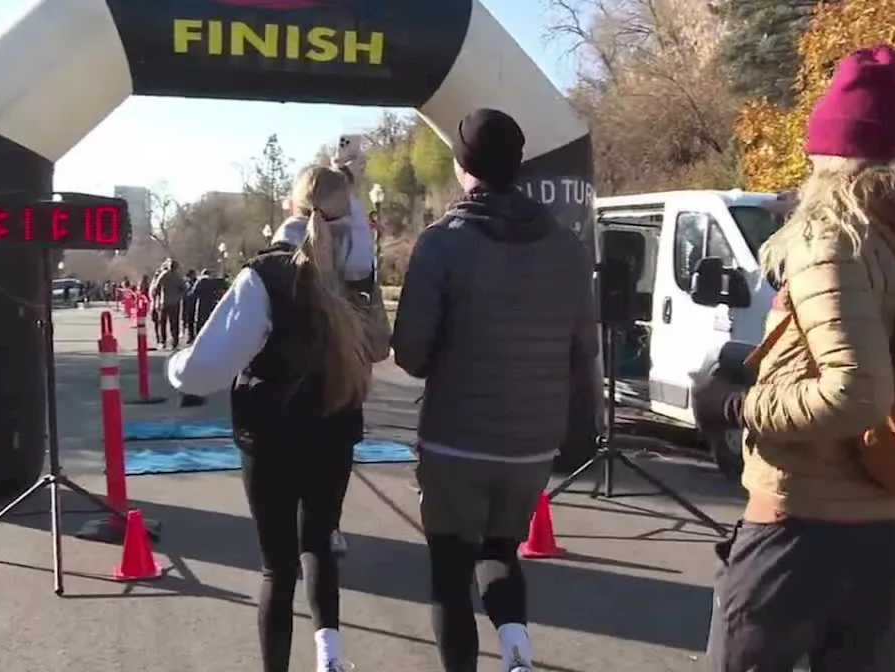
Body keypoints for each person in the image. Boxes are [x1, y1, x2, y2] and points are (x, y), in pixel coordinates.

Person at [692, 45, 895, 671]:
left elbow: (856, 391)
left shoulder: (833, 234)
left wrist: (740, 404)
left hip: (801, 529)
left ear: (830, 149)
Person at [392, 108, 597, 672]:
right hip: (533, 442)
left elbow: (409, 351)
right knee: (502, 550)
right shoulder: (565, 246)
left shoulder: (443, 243)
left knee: (450, 573)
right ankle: (517, 655)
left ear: (463, 168)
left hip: (457, 438)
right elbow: (584, 349)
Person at [167, 165, 390, 672]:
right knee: (319, 545)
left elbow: (204, 370)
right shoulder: (358, 275)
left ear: (292, 208)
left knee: (277, 567)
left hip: (270, 436)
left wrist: (175, 367)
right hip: (335, 428)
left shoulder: (265, 276)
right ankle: (330, 658)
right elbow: (379, 346)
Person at [275, 154, 380, 560]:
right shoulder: (356, 253)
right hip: (345, 373)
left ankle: (299, 526)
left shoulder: (281, 255)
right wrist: (347, 184)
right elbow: (358, 236)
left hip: (292, 377)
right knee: (335, 460)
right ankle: (327, 526)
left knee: (293, 458)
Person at [150, 258, 187, 350]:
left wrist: (157, 297)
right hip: (174, 302)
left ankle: (163, 341)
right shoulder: (178, 277)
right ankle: (175, 341)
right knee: (174, 322)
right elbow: (185, 289)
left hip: (164, 302)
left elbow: (155, 288)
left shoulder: (163, 275)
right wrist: (179, 296)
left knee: (162, 322)